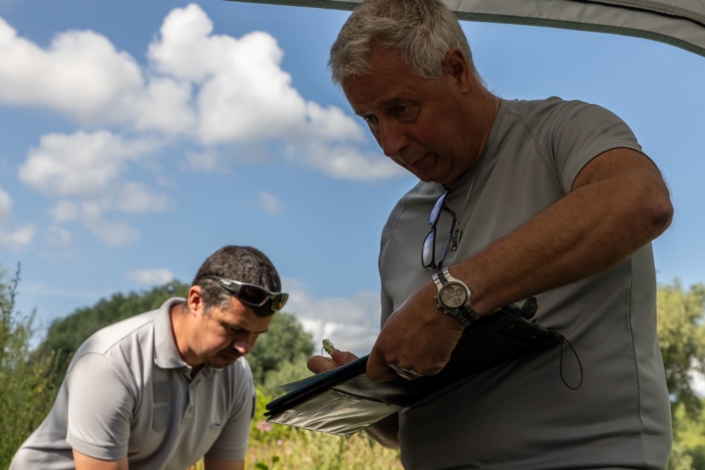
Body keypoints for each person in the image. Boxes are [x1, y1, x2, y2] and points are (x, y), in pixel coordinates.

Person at [308, 0, 675, 468]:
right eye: (372, 120)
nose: (389, 145)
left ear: (457, 71)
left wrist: (449, 300)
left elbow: (640, 200)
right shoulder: (402, 222)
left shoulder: (563, 132)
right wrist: (364, 397)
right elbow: (404, 428)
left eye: (401, 109)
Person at [11, 246, 288, 470]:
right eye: (234, 329)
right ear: (195, 301)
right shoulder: (109, 362)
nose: (245, 348)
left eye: (256, 335)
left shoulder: (236, 375)